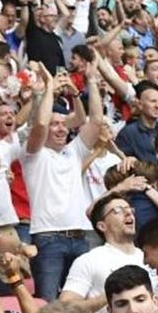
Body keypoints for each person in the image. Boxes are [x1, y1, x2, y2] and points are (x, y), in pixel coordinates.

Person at [23, 60, 103, 300]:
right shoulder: (33, 153)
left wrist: (88, 83)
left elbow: (96, 121)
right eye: (55, 124)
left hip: (80, 237)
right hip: (48, 239)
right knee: (48, 305)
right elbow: (40, 122)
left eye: (64, 124)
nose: (60, 129)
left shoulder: (73, 151)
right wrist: (49, 87)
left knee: (80, 308)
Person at [60, 193, 158, 313]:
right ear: (101, 225)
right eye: (118, 210)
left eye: (130, 209)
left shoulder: (148, 258)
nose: (128, 214)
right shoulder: (89, 260)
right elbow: (65, 308)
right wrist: (110, 296)